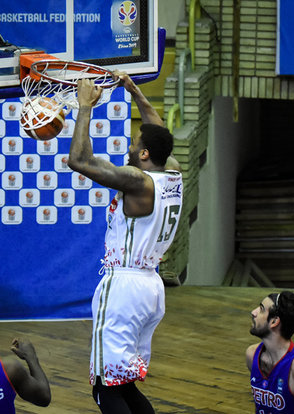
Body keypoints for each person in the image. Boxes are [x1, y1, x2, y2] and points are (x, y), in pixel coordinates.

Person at [68, 73, 183, 414]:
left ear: (144, 154)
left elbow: (79, 160)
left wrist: (85, 106)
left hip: (124, 288)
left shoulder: (138, 181)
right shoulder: (171, 172)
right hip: (151, 288)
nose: (129, 148)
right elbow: (159, 132)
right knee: (125, 383)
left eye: (134, 144)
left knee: (104, 387)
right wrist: (135, 92)